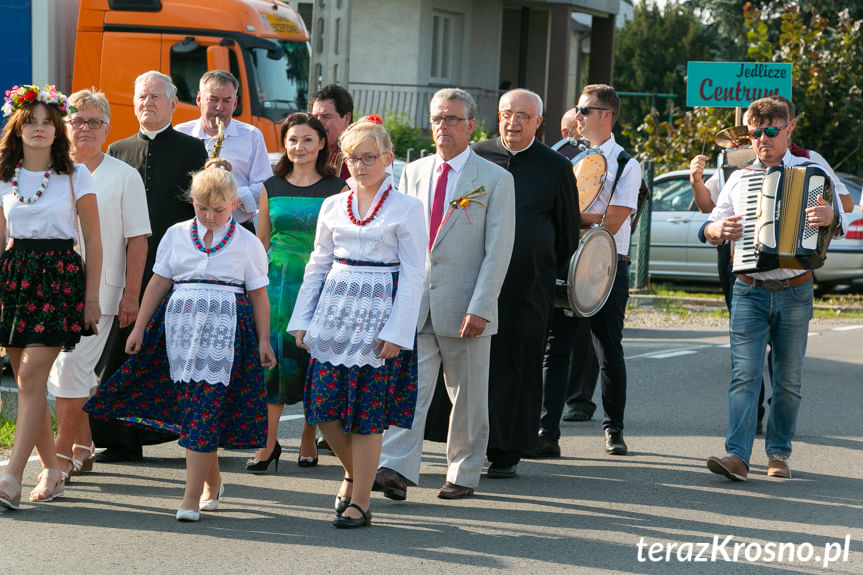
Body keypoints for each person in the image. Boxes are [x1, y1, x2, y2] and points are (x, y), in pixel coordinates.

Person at [85, 158, 275, 520]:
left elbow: (258, 295)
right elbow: (158, 283)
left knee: (204, 409)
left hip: (224, 336)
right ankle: (212, 481)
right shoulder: (175, 234)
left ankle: (190, 497)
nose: (208, 216)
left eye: (218, 209)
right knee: (194, 412)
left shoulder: (247, 244)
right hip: (178, 333)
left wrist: (264, 340)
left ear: (234, 204)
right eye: (201, 208)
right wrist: (139, 328)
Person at [375, 88, 515, 500]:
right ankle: (396, 469)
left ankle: (463, 472)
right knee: (409, 392)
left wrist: (482, 306)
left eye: (452, 119)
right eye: (437, 118)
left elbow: (498, 250)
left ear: (471, 126)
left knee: (467, 397)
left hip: (466, 305)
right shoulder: (413, 172)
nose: (442, 127)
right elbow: (403, 242)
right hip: (417, 305)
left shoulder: (495, 180)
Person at [287, 119, 426, 528]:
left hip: (379, 317)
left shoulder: (407, 208)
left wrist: (398, 333)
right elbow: (317, 264)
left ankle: (361, 501)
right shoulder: (332, 205)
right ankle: (354, 473)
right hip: (334, 316)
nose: (360, 166)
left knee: (367, 414)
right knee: (323, 407)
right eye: (352, 158)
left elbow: (415, 272)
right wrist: (303, 319)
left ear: (388, 159)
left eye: (369, 157)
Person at [704, 97, 843, 481]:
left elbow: (844, 217)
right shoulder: (738, 177)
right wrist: (719, 231)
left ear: (788, 129)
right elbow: (710, 226)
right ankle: (737, 456)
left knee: (788, 379)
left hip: (796, 289)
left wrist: (830, 216)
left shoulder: (812, 173)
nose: (762, 139)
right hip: (749, 288)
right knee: (744, 375)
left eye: (770, 131)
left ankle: (779, 453)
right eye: (755, 133)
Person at [92, 71, 208, 463]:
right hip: (126, 267)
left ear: (173, 104)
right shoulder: (117, 150)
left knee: (175, 353)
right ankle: (121, 439)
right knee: (121, 354)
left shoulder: (193, 150)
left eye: (156, 97)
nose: (148, 103)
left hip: (175, 268)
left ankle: (196, 435)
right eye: (142, 96)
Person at [0, 84, 102, 509]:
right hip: (15, 277)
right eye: (31, 123)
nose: (40, 129)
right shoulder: (4, 175)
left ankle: (10, 475)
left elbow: (94, 242)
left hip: (59, 277)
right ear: (18, 128)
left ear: (57, 128)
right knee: (29, 382)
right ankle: (54, 469)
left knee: (32, 376)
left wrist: (91, 299)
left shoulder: (77, 174)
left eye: (47, 122)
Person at [472, 89, 580, 478]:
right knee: (472, 366)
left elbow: (567, 233)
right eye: (506, 113)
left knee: (518, 367)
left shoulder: (555, 167)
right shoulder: (477, 157)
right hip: (475, 282)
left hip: (527, 287)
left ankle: (506, 452)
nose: (513, 122)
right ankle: (466, 444)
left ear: (539, 122)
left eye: (523, 115)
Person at [45, 89, 151, 480]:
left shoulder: (124, 176)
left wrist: (131, 294)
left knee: (72, 367)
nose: (85, 128)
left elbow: (137, 239)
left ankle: (59, 456)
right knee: (71, 374)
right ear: (65, 125)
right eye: (77, 120)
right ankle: (84, 444)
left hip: (100, 293)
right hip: (47, 289)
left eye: (95, 121)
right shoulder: (49, 171)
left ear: (108, 128)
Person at [544, 84, 641, 457]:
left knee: (608, 349)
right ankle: (546, 430)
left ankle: (613, 428)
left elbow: (613, 221)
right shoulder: (563, 156)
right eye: (578, 109)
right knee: (557, 349)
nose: (578, 116)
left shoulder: (625, 164)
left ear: (607, 115)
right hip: (568, 262)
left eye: (586, 110)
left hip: (607, 266)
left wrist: (564, 216)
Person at [247, 113, 346, 473]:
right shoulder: (270, 186)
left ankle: (308, 436)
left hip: (321, 282)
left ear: (321, 143)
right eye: (292, 140)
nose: (299, 147)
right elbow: (260, 242)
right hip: (277, 284)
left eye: (307, 140)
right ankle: (268, 443)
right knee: (272, 361)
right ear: (284, 145)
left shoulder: (338, 189)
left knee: (313, 361)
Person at [175, 70, 272, 227]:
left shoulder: (252, 136)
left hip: (238, 226)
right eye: (213, 100)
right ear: (199, 99)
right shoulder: (180, 133)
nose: (220, 108)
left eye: (227, 101)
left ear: (235, 103)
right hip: (190, 226)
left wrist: (229, 195)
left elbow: (265, 186)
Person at [312, 84, 353, 180]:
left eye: (326, 117)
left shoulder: (360, 155)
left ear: (347, 118)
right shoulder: (304, 152)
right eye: (315, 117)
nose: (318, 123)